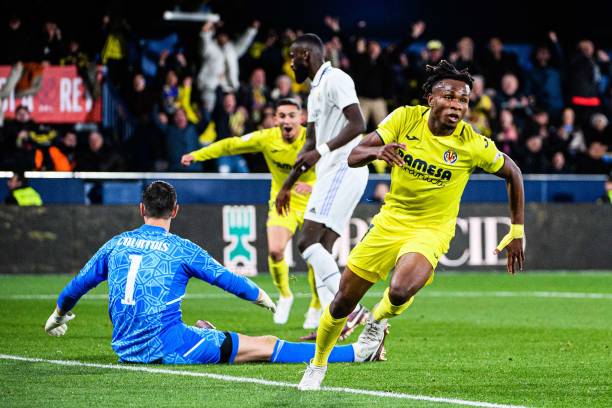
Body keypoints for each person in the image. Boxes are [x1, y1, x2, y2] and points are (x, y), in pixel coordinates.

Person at [297, 60, 526, 390]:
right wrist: (380, 150)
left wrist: (517, 230)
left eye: (463, 100)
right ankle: (317, 365)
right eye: (449, 96)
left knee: (402, 288)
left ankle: (377, 320)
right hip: (390, 222)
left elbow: (513, 173)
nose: (457, 105)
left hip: (431, 230)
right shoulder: (405, 118)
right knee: (342, 302)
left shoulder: (471, 143)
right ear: (431, 98)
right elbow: (354, 155)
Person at [44, 181, 385, 365]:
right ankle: (357, 353)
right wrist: (262, 297)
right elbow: (227, 280)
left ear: (141, 210)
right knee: (265, 345)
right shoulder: (181, 248)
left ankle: (208, 335)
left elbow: (78, 285)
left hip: (125, 349)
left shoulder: (116, 244)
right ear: (175, 210)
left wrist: (59, 314)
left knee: (206, 330)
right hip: (169, 348)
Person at [181, 98, 322, 328]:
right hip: (282, 201)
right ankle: (285, 295)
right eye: (282, 116)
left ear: (302, 118)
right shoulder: (267, 138)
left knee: (313, 257)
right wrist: (198, 154)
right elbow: (231, 145)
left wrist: (315, 186)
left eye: (291, 115)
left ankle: (316, 305)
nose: (287, 120)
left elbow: (338, 166)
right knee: (276, 251)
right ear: (275, 119)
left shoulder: (314, 138)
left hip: (314, 201)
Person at [275, 34, 370, 340]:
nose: (290, 63)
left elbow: (358, 124)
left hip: (344, 166)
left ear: (306, 55)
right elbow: (310, 143)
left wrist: (322, 153)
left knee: (307, 242)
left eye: (293, 56)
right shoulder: (314, 91)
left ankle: (353, 311)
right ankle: (333, 323)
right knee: (322, 248)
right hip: (332, 171)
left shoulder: (336, 79)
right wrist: (287, 185)